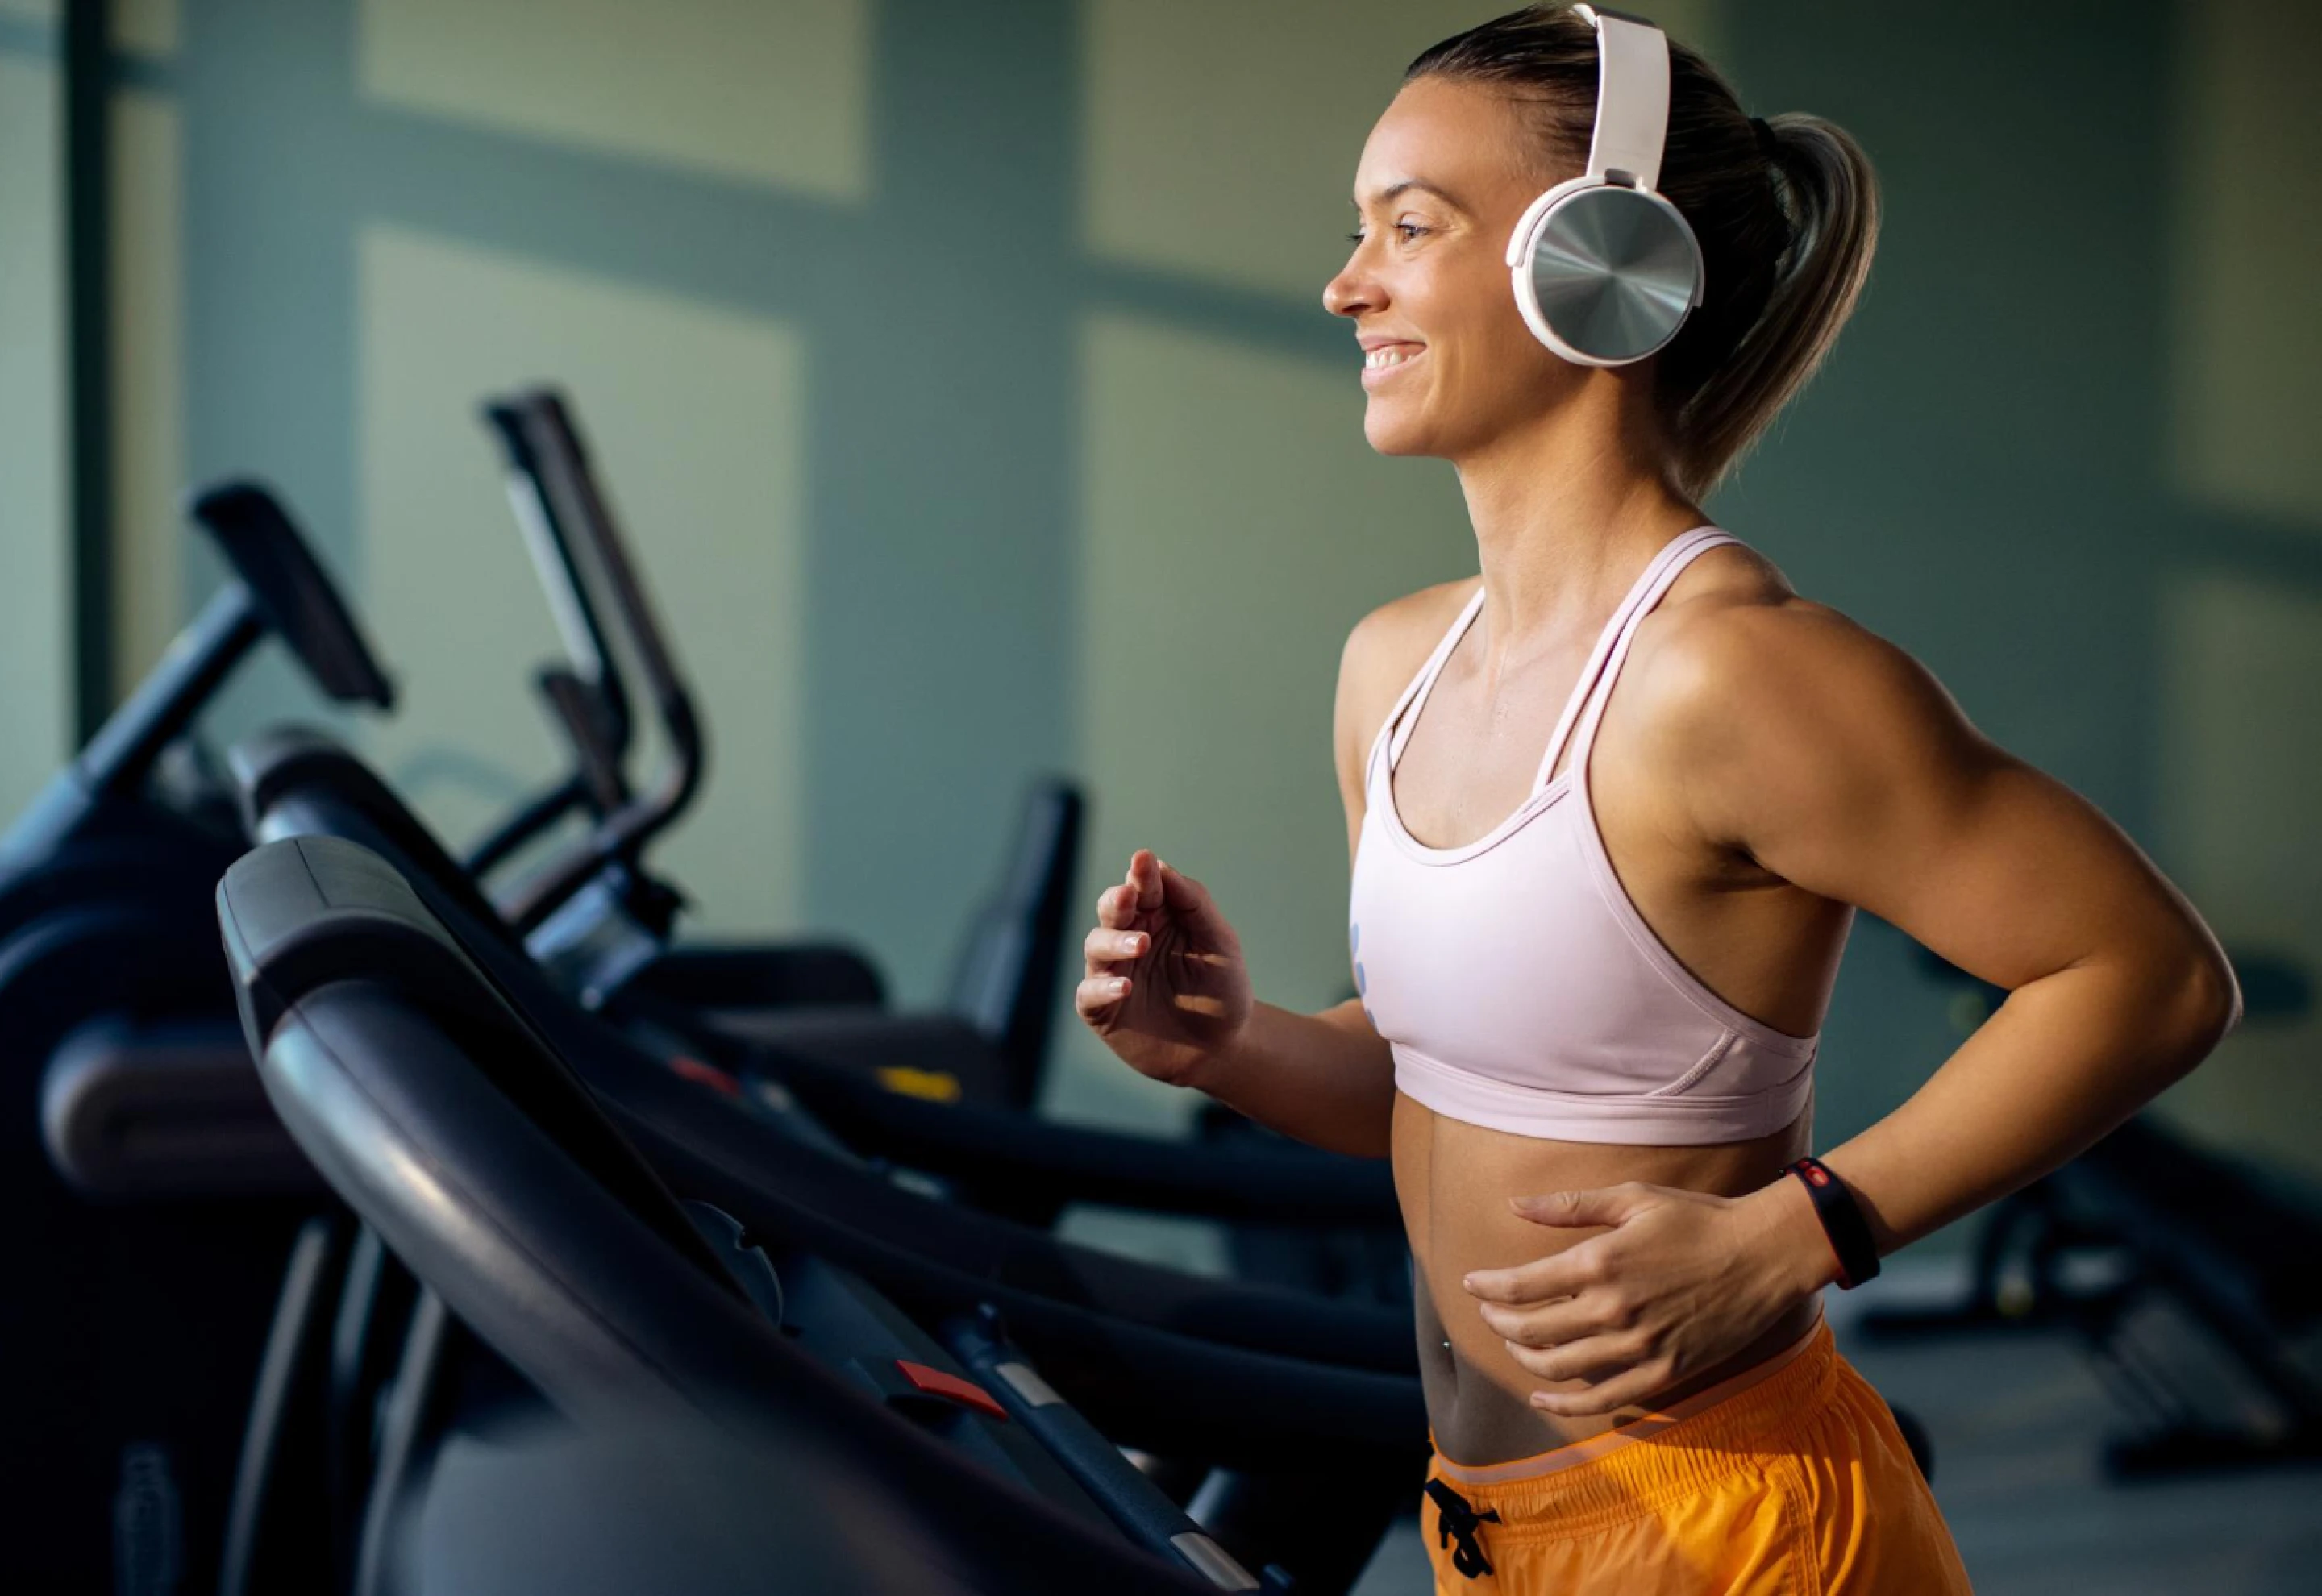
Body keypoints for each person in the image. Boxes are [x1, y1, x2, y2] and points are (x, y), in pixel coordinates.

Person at [1076, 5, 2240, 1593]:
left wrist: (1800, 1232)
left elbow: (2151, 975)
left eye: (1410, 229)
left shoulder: (1736, 678)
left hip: (1744, 1533)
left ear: (1596, 257)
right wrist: (1229, 1043)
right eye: (1359, 233)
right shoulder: (1393, 668)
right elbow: (1444, 1087)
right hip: (1492, 1530)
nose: (1348, 284)